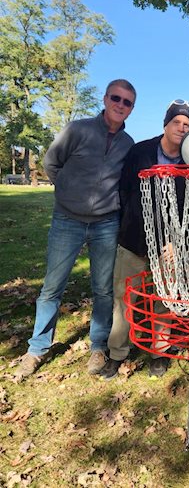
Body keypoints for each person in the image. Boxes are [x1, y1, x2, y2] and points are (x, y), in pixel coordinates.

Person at [15, 79, 136, 380]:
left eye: (127, 102)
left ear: (131, 109)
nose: (120, 105)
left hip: (107, 223)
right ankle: (37, 349)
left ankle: (98, 346)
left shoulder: (128, 144)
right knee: (52, 287)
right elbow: (52, 163)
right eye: (116, 98)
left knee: (103, 289)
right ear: (105, 98)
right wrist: (68, 192)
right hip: (67, 220)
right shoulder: (78, 129)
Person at [99, 99, 189, 380]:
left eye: (187, 124)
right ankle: (117, 353)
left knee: (164, 299)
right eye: (176, 122)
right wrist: (132, 225)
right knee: (123, 298)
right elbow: (125, 191)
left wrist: (178, 241)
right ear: (165, 124)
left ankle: (159, 353)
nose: (181, 127)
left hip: (169, 245)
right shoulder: (140, 151)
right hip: (134, 240)